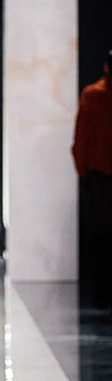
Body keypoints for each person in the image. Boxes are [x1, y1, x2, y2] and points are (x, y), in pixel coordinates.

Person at [72, 50, 112, 310]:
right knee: (100, 236)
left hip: (100, 176)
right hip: (100, 176)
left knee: (101, 236)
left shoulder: (93, 95)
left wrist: (83, 172)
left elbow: (81, 137)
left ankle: (102, 293)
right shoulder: (93, 95)